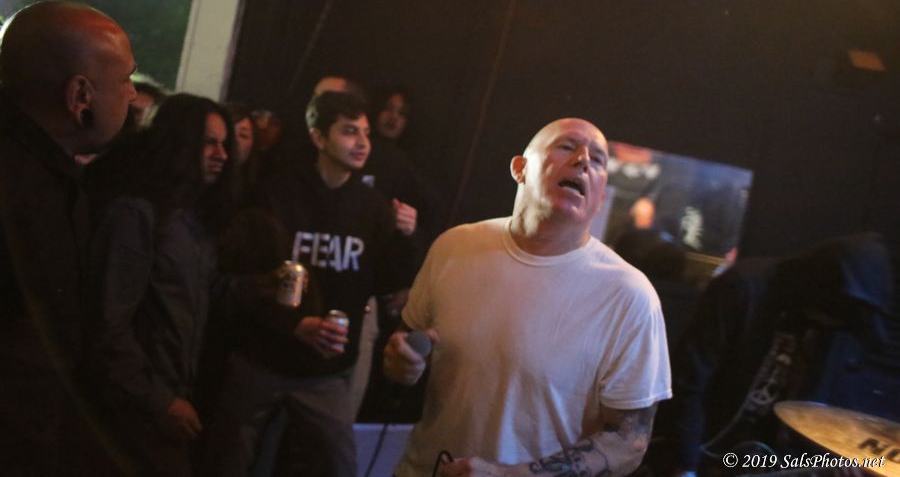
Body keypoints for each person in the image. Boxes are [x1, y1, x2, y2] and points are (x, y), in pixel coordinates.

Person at [384, 117, 672, 477]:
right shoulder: (453, 246)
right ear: (520, 168)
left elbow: (628, 443)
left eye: (598, 159)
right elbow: (403, 350)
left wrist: (513, 475)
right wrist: (400, 364)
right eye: (567, 146)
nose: (583, 159)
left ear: (600, 197)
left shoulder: (629, 296)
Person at [204, 91, 416, 476]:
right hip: (261, 357)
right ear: (318, 137)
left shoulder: (372, 206)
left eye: (366, 133)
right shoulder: (275, 194)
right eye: (349, 132)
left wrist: (406, 236)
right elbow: (242, 278)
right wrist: (292, 324)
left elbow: (389, 282)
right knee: (228, 462)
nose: (362, 143)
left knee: (339, 464)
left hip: (326, 371)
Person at [0, 0, 136, 475]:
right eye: (125, 79)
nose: (134, 95)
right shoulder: (26, 188)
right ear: (80, 95)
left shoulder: (49, 175)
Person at [87, 94, 236, 476]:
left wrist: (260, 289)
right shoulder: (137, 214)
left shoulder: (191, 220)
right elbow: (109, 323)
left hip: (166, 399)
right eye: (209, 142)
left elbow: (195, 293)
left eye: (225, 144)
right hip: (132, 410)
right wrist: (159, 401)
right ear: (179, 142)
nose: (221, 154)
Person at [660, 233, 893, 477]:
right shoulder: (742, 287)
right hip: (701, 448)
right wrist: (685, 464)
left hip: (758, 460)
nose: (831, 325)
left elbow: (819, 410)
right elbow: (689, 380)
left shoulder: (834, 330)